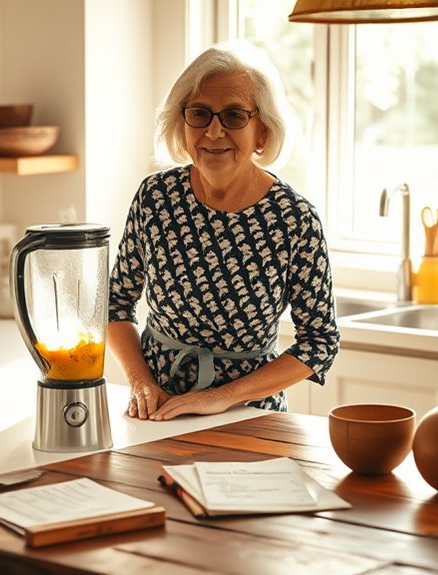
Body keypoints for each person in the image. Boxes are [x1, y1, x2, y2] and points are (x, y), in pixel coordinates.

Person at [107, 40, 339, 421]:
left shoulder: (294, 219)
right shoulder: (155, 198)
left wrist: (221, 397)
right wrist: (140, 382)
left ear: (262, 132)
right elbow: (114, 305)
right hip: (158, 411)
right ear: (183, 124)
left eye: (233, 116)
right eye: (200, 114)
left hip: (251, 416)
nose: (214, 132)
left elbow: (320, 342)